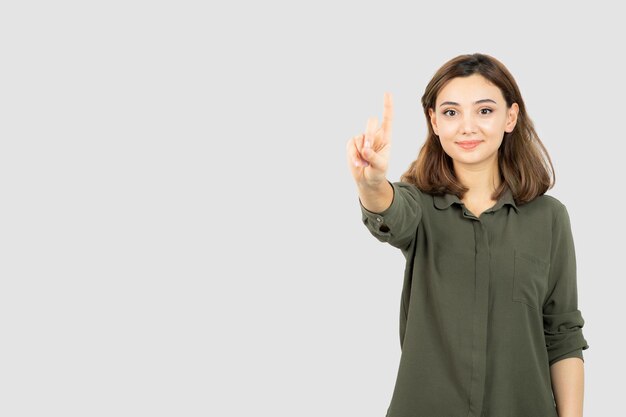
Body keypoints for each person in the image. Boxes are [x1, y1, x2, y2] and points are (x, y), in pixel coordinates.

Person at [345, 53, 589, 417]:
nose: (467, 127)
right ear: (434, 121)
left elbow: (563, 333)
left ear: (511, 117)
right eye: (451, 112)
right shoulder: (420, 205)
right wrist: (373, 184)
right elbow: (391, 213)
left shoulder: (549, 218)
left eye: (485, 111)